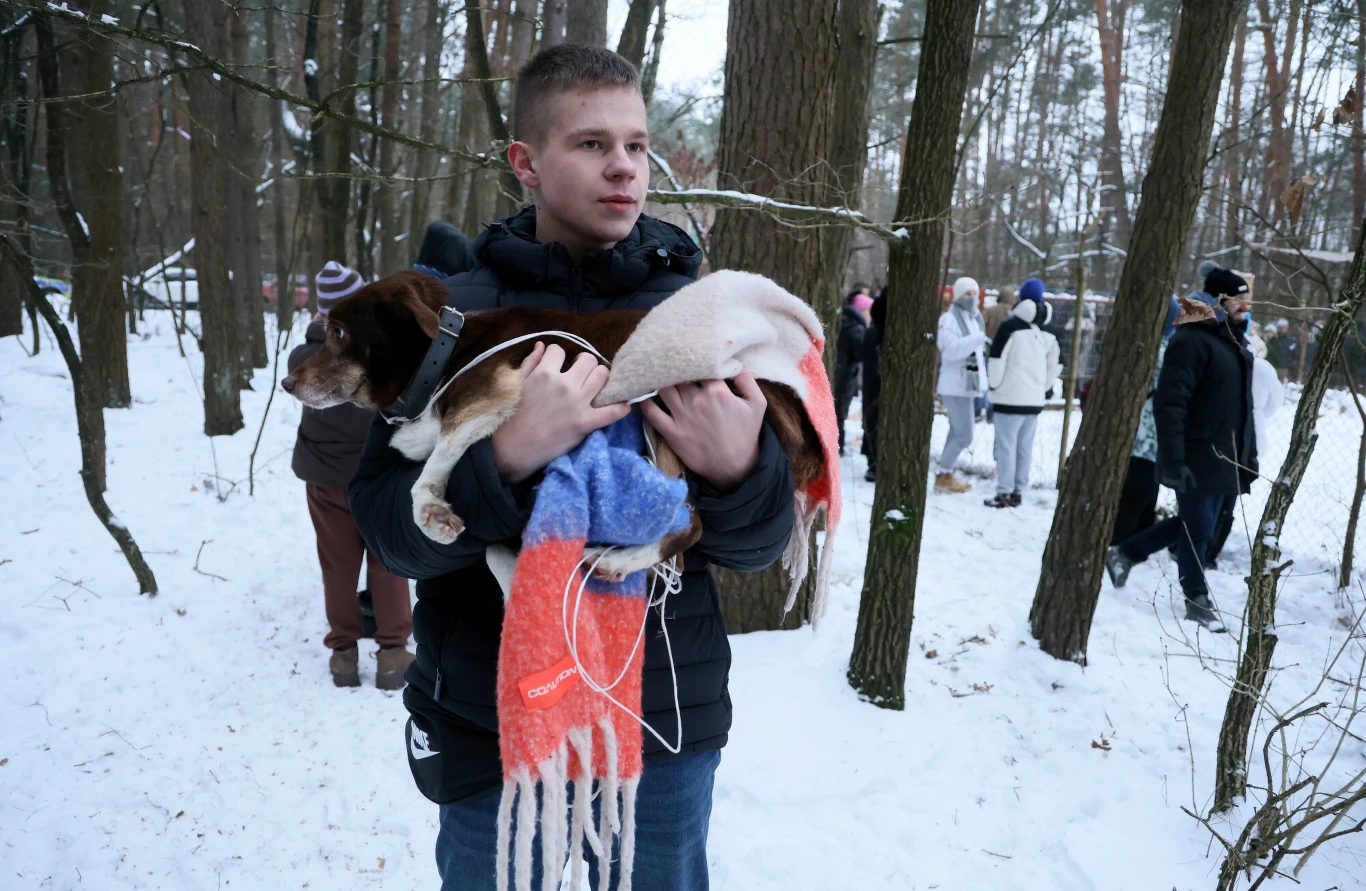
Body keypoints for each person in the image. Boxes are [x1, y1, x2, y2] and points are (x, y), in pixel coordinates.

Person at [346, 45, 796, 891]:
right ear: (526, 161)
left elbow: (760, 546)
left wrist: (739, 470)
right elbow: (386, 531)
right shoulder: (450, 320)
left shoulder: (701, 322)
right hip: (493, 719)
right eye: (591, 144)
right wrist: (504, 460)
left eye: (636, 144)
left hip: (658, 721)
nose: (624, 167)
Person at [1105, 265, 1258, 632]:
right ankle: (1197, 600)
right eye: (1239, 299)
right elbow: (1170, 404)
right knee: (1198, 530)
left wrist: (1246, 455)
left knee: (1193, 523)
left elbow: (1243, 408)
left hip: (1227, 453)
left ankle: (1125, 553)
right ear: (1219, 301)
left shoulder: (1234, 342)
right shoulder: (1190, 339)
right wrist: (1173, 458)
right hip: (1197, 451)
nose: (1245, 306)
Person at [288, 261, 415, 688]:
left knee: (337, 566)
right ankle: (393, 655)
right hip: (379, 477)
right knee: (387, 563)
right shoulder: (380, 356)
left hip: (326, 481)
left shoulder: (302, 358)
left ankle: (343, 656)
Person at [983, 278, 1060, 508]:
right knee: (1024, 447)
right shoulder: (1049, 330)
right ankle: (1018, 491)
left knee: (1006, 446)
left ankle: (1004, 492)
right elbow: (1055, 365)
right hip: (1033, 401)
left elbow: (997, 359)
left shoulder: (1010, 326)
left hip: (1008, 399)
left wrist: (995, 385)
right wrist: (1043, 388)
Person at [1111, 297, 1180, 545]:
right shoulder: (1172, 351)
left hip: (1140, 433)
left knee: (1134, 491)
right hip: (1158, 434)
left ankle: (1121, 541)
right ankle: (1139, 535)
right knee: (1149, 488)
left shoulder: (1150, 352)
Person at [934, 276, 988, 493]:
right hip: (954, 385)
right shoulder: (949, 319)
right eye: (967, 293)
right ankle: (943, 472)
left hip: (967, 384)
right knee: (965, 435)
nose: (972, 297)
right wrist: (977, 339)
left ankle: (945, 475)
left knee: (956, 432)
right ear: (958, 295)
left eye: (975, 293)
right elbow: (951, 350)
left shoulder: (974, 318)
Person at [835, 288, 872, 455]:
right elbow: (862, 354)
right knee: (839, 413)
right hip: (845, 377)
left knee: (837, 412)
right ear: (862, 311)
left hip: (840, 374)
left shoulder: (844, 321)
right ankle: (837, 447)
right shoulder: (856, 327)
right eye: (868, 311)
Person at [860, 287, 886, 482]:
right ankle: (874, 463)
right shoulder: (878, 332)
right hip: (875, 384)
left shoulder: (874, 331)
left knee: (873, 417)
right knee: (875, 417)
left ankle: (874, 461)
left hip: (873, 385)